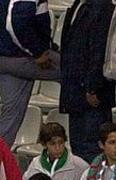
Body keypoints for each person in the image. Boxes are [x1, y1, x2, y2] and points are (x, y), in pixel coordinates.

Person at [58, 0, 114, 160]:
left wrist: (93, 88)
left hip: (90, 94)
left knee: (92, 149)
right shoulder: (79, 4)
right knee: (79, 148)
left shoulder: (102, 7)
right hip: (74, 92)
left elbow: (99, 50)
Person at [0, 0, 59, 146]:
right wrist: (37, 52)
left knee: (11, 116)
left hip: (7, 59)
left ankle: (2, 159)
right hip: (22, 58)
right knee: (75, 73)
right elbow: (15, 23)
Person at [23, 123, 90, 180]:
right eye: (52, 144)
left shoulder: (79, 165)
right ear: (44, 145)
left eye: (61, 143)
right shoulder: (35, 164)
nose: (58, 148)